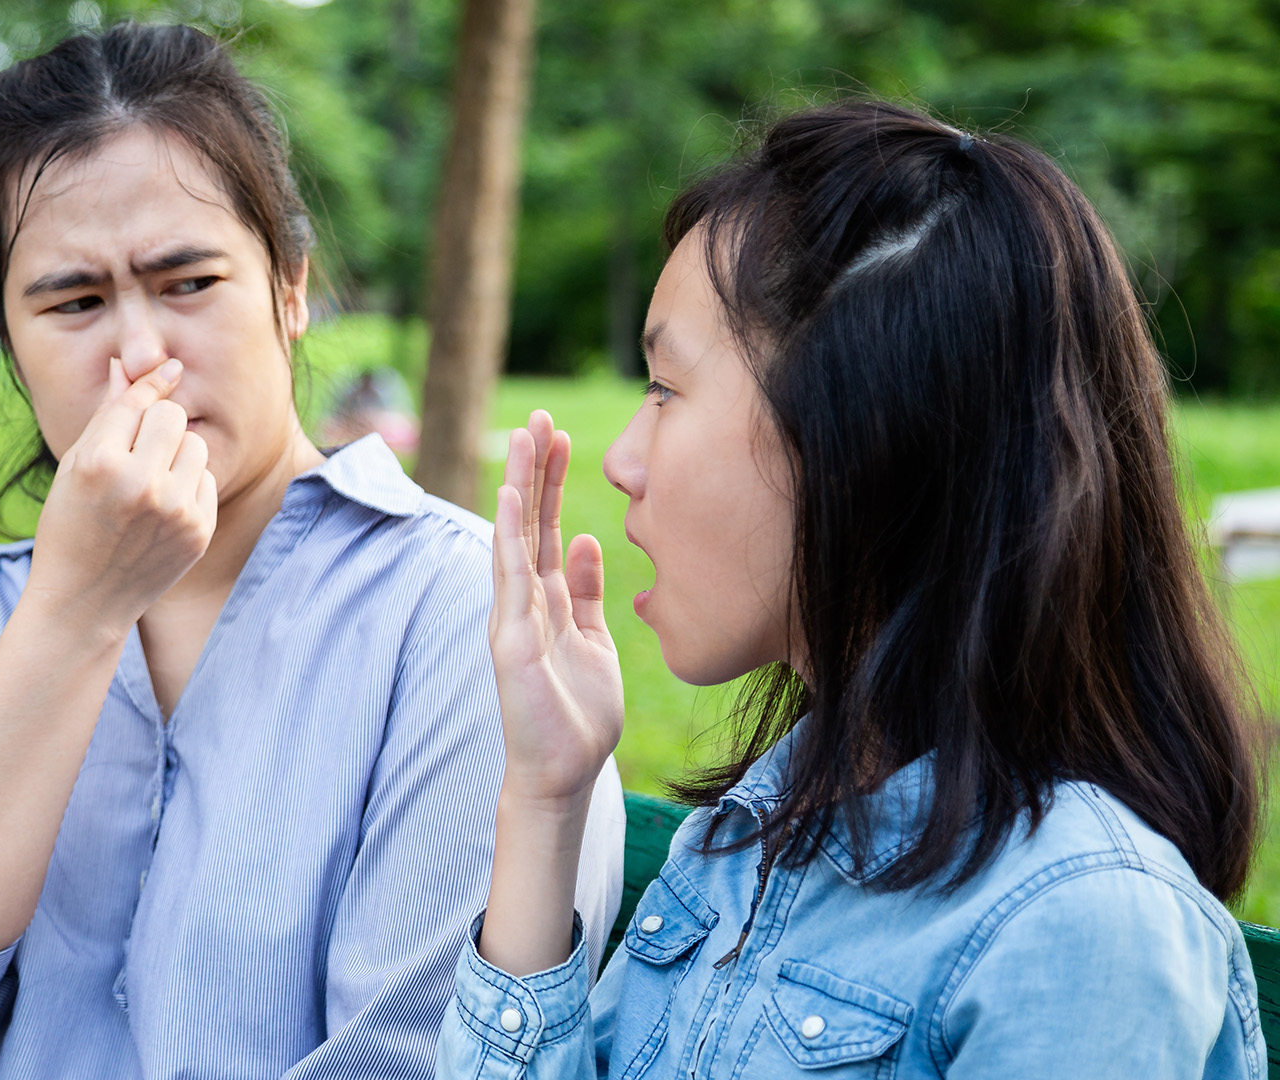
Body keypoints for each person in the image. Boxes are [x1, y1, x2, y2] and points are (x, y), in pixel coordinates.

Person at [0, 22, 626, 1080]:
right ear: (5, 343)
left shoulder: (452, 611)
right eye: (73, 303)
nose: (141, 355)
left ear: (292, 288)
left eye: (189, 283)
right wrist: (74, 616)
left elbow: (422, 1059)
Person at [438, 100, 1266, 1079]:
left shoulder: (1083, 928)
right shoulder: (750, 835)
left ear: (862, 437)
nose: (621, 460)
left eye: (665, 390)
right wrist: (545, 795)